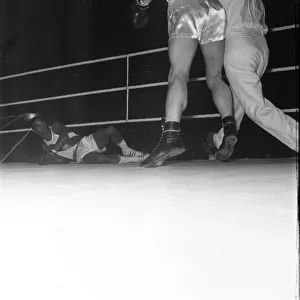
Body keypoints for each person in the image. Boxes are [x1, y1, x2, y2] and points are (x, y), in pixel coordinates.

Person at [135, 0, 236, 167]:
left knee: (178, 73)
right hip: (215, 10)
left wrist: (141, 5)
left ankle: (170, 135)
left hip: (186, 7)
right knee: (215, 77)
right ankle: (229, 128)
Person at [202, 0, 298, 160]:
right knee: (241, 97)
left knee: (256, 108)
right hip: (261, 46)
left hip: (238, 41)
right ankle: (219, 139)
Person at [27, 115, 149, 165]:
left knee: (110, 129)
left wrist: (53, 150)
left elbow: (64, 137)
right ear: (34, 131)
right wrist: (47, 159)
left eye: (42, 122)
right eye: (37, 126)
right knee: (102, 159)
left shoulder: (55, 126)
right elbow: (61, 159)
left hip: (85, 142)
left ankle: (126, 149)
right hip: (80, 154)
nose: (41, 126)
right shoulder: (44, 145)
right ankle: (136, 159)